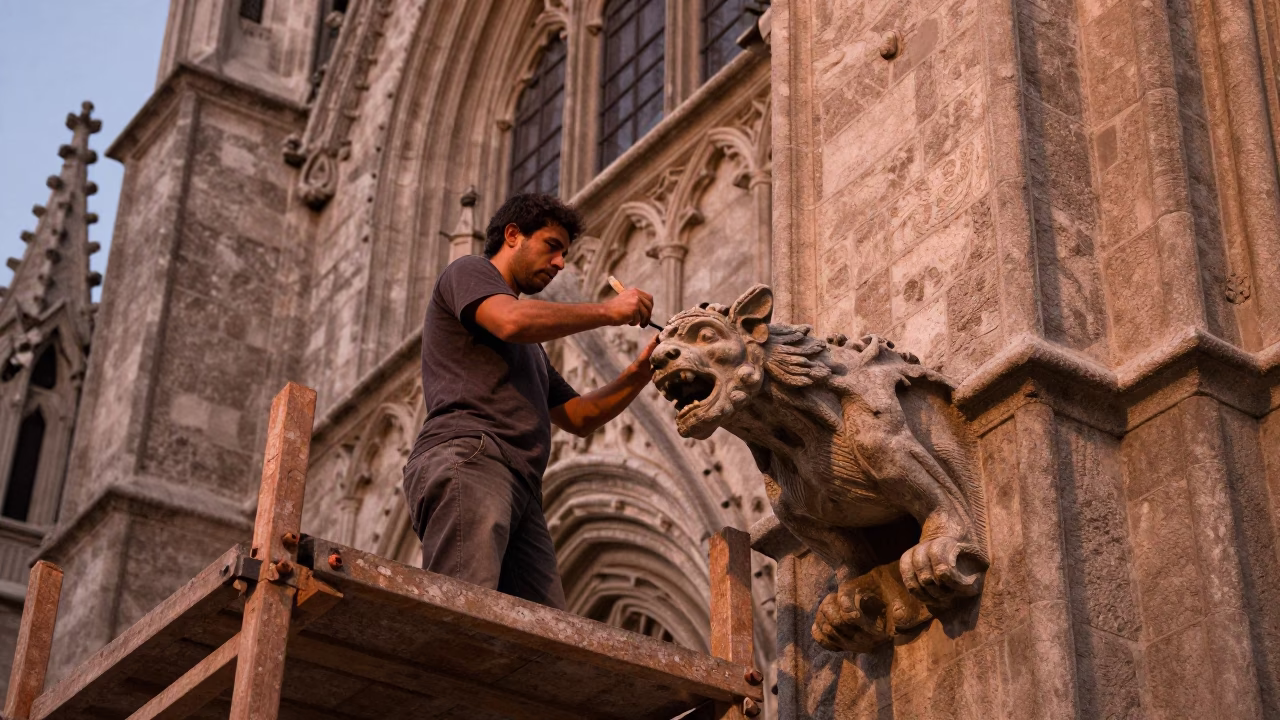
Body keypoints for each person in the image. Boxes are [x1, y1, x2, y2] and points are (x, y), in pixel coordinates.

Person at [401, 192, 657, 609]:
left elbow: (579, 417)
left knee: (546, 632)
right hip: (472, 455)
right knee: (465, 612)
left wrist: (641, 372)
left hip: (522, 486)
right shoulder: (468, 271)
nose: (560, 263)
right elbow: (510, 319)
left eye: (564, 254)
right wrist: (609, 311)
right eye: (552, 247)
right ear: (513, 235)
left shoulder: (532, 350)